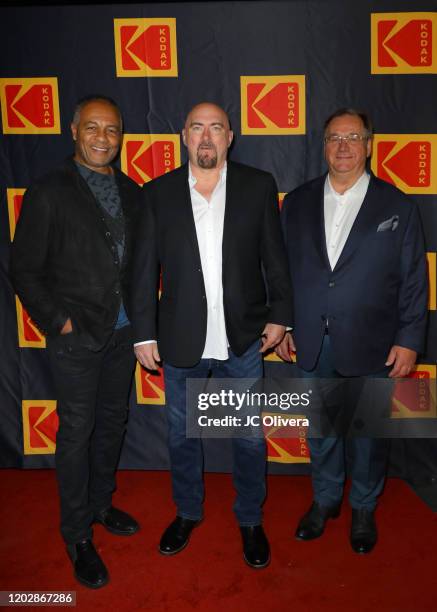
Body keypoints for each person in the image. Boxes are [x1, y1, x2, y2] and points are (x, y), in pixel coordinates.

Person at [131, 102, 293, 569]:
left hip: (242, 337)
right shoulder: (156, 193)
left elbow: (274, 257)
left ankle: (249, 518)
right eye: (197, 128)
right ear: (184, 136)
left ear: (230, 136)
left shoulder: (257, 186)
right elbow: (143, 271)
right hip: (180, 339)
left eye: (216, 128)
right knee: (183, 436)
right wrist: (143, 332)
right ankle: (187, 511)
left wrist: (281, 315)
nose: (206, 137)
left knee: (246, 436)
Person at [276, 108, 428, 554]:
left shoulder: (396, 204)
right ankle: (325, 500)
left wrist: (410, 339)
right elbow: (282, 272)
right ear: (323, 145)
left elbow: (415, 278)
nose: (343, 146)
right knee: (321, 427)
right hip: (310, 338)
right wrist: (283, 323)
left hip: (374, 341)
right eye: (334, 138)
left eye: (352, 137)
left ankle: (363, 506)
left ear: (368, 143)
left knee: (367, 432)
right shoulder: (297, 202)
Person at [10, 95, 142, 588]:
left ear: (120, 134)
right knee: (76, 433)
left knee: (113, 422)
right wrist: (60, 322)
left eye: (111, 129)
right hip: (76, 338)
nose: (102, 138)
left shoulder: (132, 191)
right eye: (93, 128)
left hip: (124, 334)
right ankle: (76, 534)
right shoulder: (49, 191)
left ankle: (102, 504)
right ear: (73, 130)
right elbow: (24, 268)